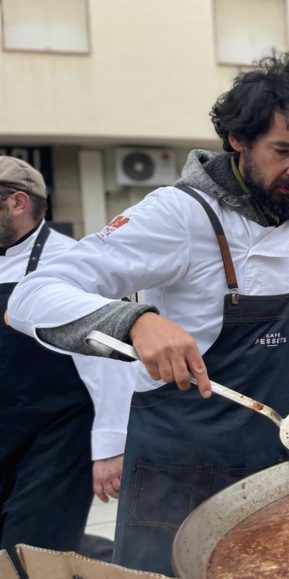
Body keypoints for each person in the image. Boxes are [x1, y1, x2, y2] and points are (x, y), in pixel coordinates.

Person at [7, 53, 289, 575]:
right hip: (176, 475)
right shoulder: (179, 214)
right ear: (238, 139)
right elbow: (33, 293)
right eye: (282, 150)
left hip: (271, 465)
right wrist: (134, 321)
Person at [0, 157, 132, 577]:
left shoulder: (69, 263)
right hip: (5, 426)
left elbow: (107, 361)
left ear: (18, 202)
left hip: (58, 435)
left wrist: (110, 448)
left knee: (28, 549)